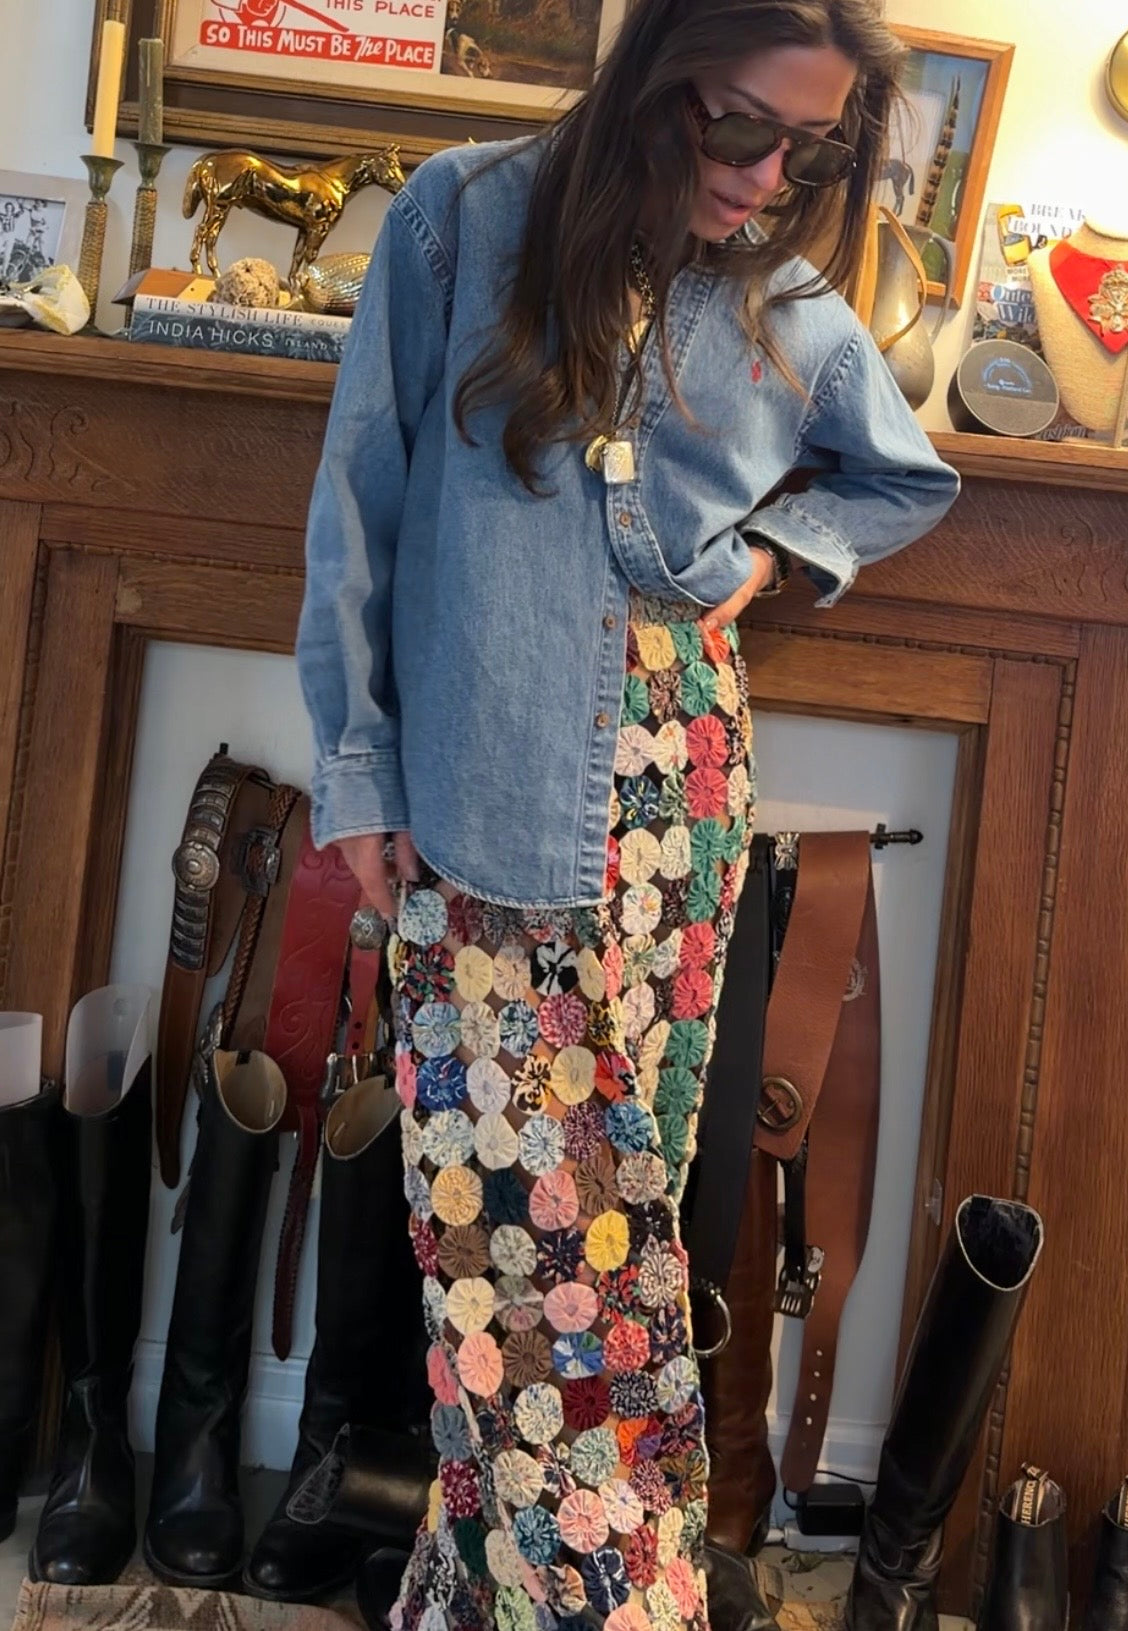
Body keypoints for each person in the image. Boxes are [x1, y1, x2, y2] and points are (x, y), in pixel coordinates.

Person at [296, 1, 959, 1627]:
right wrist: (357, 770)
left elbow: (902, 474)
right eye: (739, 126)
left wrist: (774, 554)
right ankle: (625, 1602)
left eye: (806, 147)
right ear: (655, 74)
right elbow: (357, 503)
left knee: (604, 1266)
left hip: (679, 814)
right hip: (480, 806)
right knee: (524, 1293)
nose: (766, 176)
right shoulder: (462, 220)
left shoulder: (781, 299)